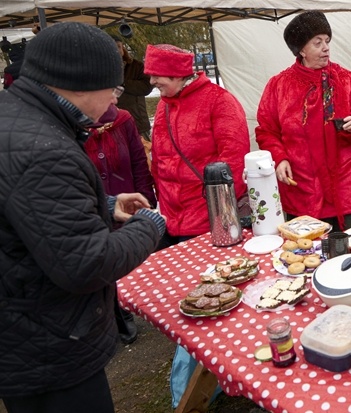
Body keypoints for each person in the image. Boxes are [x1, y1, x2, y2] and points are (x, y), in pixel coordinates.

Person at [0, 22, 165, 413]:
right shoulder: (44, 148)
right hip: (47, 343)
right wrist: (149, 226)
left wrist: (106, 206)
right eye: (113, 89)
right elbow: (86, 263)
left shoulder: (16, 118)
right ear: (79, 85)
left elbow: (25, 205)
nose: (113, 101)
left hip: (23, 327)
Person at [256, 11, 351, 232]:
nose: (326, 47)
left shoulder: (346, 79)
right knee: (305, 257)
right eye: (317, 42)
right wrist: (280, 158)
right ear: (301, 49)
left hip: (345, 189)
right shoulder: (279, 85)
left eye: (327, 41)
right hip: (302, 189)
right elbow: (266, 130)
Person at [146, 43, 250, 248]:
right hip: (169, 220)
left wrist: (219, 213)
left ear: (175, 74)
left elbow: (234, 163)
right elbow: (159, 159)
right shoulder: (163, 106)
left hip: (207, 220)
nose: (151, 81)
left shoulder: (219, 101)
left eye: (156, 75)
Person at [84, 103, 157, 344]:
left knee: (126, 265)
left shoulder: (123, 119)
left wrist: (147, 200)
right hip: (92, 212)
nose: (114, 99)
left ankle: (126, 312)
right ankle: (111, 320)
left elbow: (138, 162)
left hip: (126, 207)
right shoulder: (70, 126)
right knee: (97, 267)